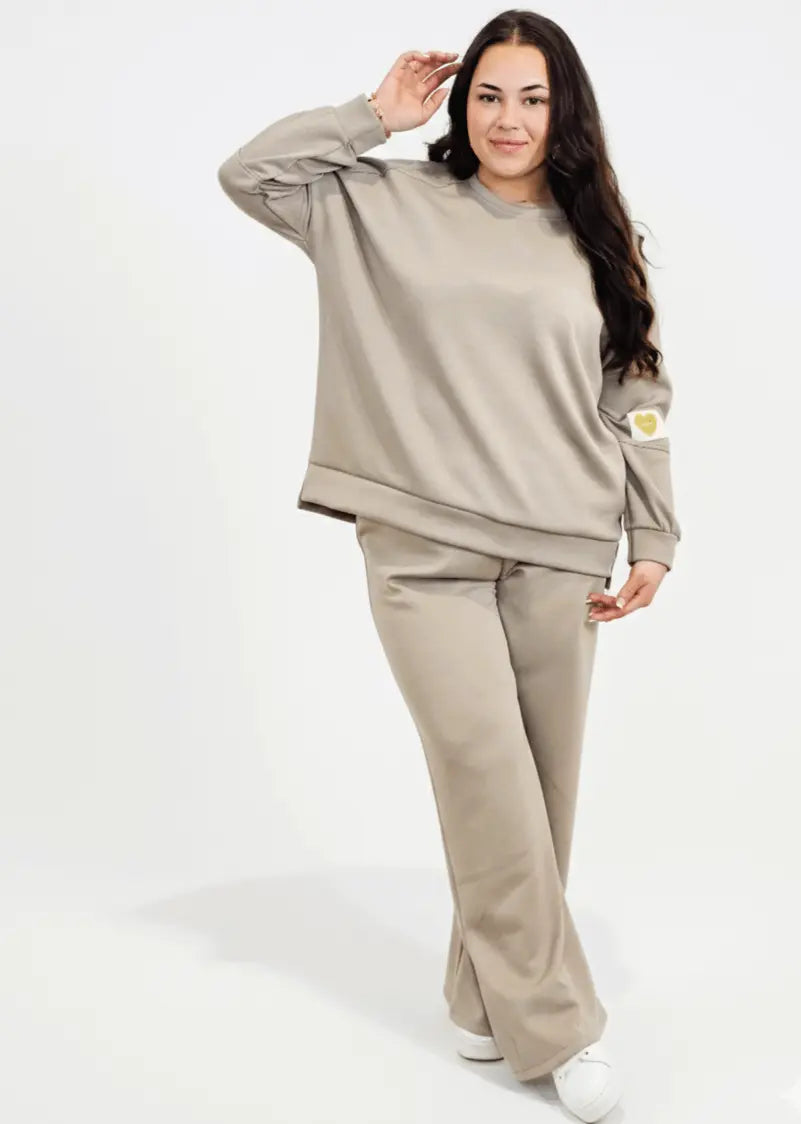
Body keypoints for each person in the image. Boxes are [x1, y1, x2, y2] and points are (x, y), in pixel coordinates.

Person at [217, 9, 681, 1122]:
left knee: (541, 793)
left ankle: (481, 998)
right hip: (423, 553)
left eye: (533, 98)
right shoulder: (379, 202)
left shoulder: (601, 237)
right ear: (459, 104)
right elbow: (249, 175)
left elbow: (638, 395)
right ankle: (559, 1028)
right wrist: (370, 116)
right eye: (488, 95)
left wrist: (654, 531)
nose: (509, 119)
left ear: (565, 112)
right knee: (485, 775)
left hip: (561, 547)